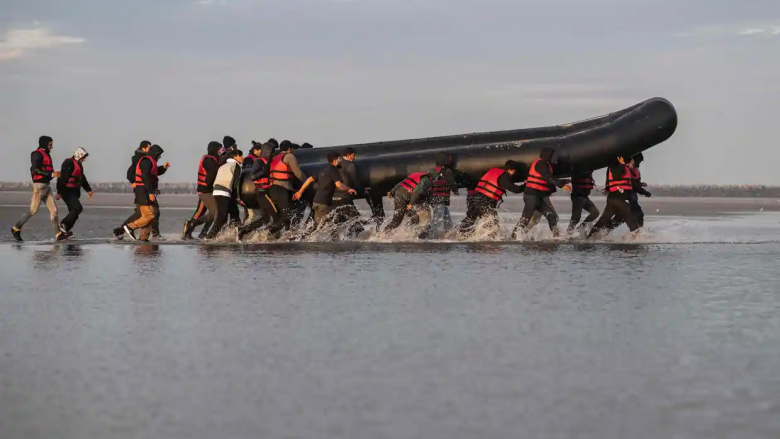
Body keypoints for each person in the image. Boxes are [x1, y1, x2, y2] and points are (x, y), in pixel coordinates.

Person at [12, 136, 67, 242]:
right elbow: (35, 169)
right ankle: (16, 228)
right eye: (50, 145)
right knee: (33, 210)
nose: (51, 147)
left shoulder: (47, 155)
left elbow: (47, 170)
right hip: (39, 187)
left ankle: (58, 234)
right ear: (44, 144)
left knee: (54, 210)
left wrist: (55, 174)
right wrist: (51, 173)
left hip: (46, 187)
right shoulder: (37, 154)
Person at [510, 147, 571, 239]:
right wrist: (562, 185)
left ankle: (556, 236)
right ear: (548, 155)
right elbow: (548, 177)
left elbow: (550, 178)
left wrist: (565, 181)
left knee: (551, 216)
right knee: (526, 219)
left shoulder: (546, 164)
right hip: (531, 196)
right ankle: (513, 238)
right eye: (552, 155)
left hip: (538, 197)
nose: (553, 157)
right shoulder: (541, 164)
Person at [293, 152, 357, 236]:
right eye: (339, 159)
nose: (340, 160)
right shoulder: (333, 170)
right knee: (333, 223)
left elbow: (309, 179)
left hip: (316, 201)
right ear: (335, 160)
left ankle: (301, 237)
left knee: (319, 224)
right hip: (323, 203)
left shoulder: (322, 170)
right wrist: (349, 189)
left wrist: (300, 191)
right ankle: (329, 241)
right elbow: (338, 185)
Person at [116, 141, 169, 239]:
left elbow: (153, 174)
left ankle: (144, 237)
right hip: (143, 191)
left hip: (146, 190)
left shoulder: (149, 161)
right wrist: (138, 185)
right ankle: (125, 229)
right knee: (147, 214)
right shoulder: (143, 160)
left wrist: (163, 169)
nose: (160, 157)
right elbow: (140, 176)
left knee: (152, 213)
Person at [457, 161, 524, 238]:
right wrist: (526, 185)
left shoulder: (493, 171)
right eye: (514, 172)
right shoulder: (504, 176)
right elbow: (515, 189)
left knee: (469, 220)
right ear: (511, 170)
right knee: (493, 226)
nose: (513, 174)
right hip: (486, 202)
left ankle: (459, 235)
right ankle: (488, 244)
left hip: (475, 199)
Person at [587, 156, 641, 239]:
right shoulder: (616, 166)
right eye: (632, 162)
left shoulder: (620, 167)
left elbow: (621, 181)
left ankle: (589, 237)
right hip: (617, 199)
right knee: (629, 214)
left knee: (604, 220)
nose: (632, 165)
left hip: (613, 199)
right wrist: (622, 164)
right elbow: (616, 176)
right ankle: (637, 236)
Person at [237, 142, 279, 240]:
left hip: (266, 192)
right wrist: (264, 171)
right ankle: (266, 235)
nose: (272, 154)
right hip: (262, 192)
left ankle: (243, 230)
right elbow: (253, 176)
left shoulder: (267, 162)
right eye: (271, 152)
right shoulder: (259, 162)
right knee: (277, 216)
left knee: (265, 219)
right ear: (266, 152)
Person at [382, 169, 441, 237]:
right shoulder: (427, 180)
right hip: (404, 196)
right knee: (397, 221)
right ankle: (383, 234)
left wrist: (392, 190)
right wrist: (411, 204)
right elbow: (416, 192)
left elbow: (402, 182)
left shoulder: (417, 174)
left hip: (399, 193)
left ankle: (409, 234)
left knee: (413, 218)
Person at [266, 141, 307, 235]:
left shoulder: (275, 158)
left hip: (273, 189)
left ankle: (285, 236)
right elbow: (298, 173)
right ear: (289, 149)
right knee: (288, 215)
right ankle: (268, 232)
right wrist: (307, 182)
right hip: (281, 189)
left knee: (283, 215)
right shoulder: (289, 156)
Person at [182, 141, 221, 240]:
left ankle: (196, 232)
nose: (221, 151)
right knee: (215, 213)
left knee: (200, 211)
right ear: (215, 150)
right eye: (220, 149)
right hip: (206, 191)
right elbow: (210, 179)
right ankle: (192, 224)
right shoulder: (210, 161)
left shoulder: (211, 159)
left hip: (205, 190)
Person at [205, 150, 244, 239]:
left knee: (234, 212)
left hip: (216, 192)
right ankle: (209, 237)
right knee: (222, 217)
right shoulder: (236, 166)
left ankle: (237, 235)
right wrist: (237, 198)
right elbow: (235, 184)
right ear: (236, 156)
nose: (243, 158)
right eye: (241, 156)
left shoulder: (224, 165)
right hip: (224, 192)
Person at [607, 153, 651, 231]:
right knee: (635, 214)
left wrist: (640, 184)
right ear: (633, 160)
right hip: (627, 199)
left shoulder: (635, 170)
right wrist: (644, 192)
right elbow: (632, 184)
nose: (639, 164)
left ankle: (605, 230)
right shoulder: (627, 169)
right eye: (638, 162)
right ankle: (636, 233)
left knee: (623, 217)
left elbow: (634, 183)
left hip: (631, 199)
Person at [331, 147, 368, 238]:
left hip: (334, 197)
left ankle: (334, 242)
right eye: (354, 155)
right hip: (345, 197)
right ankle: (354, 242)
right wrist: (363, 191)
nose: (355, 157)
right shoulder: (350, 165)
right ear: (349, 155)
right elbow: (355, 181)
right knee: (356, 221)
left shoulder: (337, 165)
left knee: (337, 222)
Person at [56, 148, 93, 236]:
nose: (84, 159)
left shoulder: (79, 165)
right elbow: (62, 178)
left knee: (74, 213)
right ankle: (63, 224)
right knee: (77, 208)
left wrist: (88, 190)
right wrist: (59, 192)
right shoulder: (68, 163)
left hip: (74, 192)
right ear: (78, 155)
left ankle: (64, 231)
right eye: (83, 157)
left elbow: (82, 178)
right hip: (66, 191)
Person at [429, 152, 460, 233]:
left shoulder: (432, 170)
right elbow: (452, 183)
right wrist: (455, 191)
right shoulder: (447, 171)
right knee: (438, 219)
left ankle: (449, 232)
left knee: (447, 218)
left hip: (433, 198)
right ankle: (430, 236)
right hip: (440, 198)